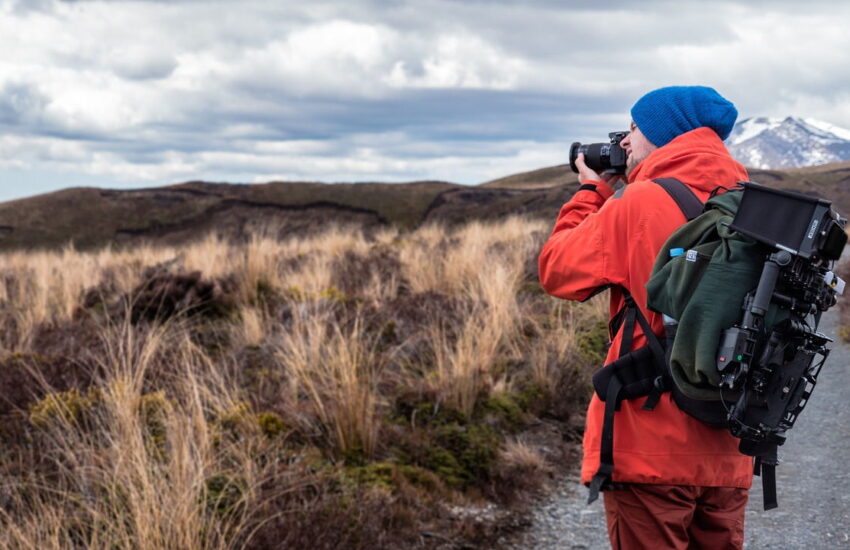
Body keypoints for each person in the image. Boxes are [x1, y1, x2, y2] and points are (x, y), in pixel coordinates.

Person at [538, 86, 754, 549]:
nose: (625, 143)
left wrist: (591, 192)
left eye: (634, 129)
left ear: (661, 133)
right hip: (729, 445)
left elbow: (557, 271)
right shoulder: (752, 204)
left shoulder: (636, 204)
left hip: (651, 441)